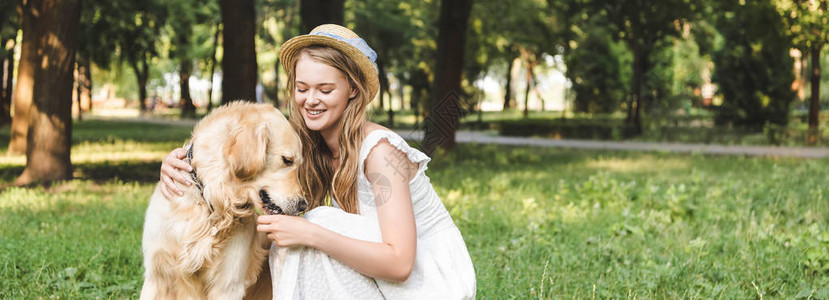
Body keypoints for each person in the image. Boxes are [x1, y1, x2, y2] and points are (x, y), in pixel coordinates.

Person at [159, 24, 475, 299]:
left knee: (312, 224)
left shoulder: (380, 153)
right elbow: (238, 166)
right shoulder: (305, 146)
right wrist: (183, 163)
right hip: (382, 279)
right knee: (276, 230)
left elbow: (401, 264)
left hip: (432, 287)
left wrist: (310, 233)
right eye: (302, 88)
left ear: (353, 89)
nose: (311, 100)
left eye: (325, 89)